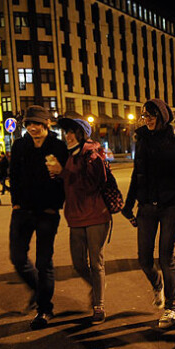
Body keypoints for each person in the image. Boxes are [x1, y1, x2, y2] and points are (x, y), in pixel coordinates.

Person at [122, 99, 175, 330]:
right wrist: (128, 204)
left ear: (161, 116)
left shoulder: (174, 144)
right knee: (143, 259)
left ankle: (171, 307)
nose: (147, 119)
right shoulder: (141, 141)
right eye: (144, 115)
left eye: (151, 115)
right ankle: (157, 283)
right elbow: (136, 175)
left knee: (166, 258)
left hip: (170, 206)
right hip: (146, 207)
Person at [47, 118, 111, 325]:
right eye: (67, 132)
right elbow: (69, 183)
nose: (68, 135)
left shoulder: (92, 154)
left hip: (95, 215)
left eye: (73, 132)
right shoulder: (70, 156)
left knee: (96, 262)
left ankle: (99, 305)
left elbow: (94, 183)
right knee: (78, 262)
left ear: (83, 134)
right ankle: (96, 286)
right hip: (74, 217)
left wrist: (63, 173)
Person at [9, 105, 68, 330]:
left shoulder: (58, 146)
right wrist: (15, 202)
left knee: (44, 262)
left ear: (46, 123)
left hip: (47, 212)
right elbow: (13, 175)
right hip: (22, 210)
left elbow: (64, 179)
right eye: (28, 124)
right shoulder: (20, 146)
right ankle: (37, 289)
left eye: (36, 123)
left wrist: (55, 205)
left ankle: (44, 309)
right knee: (17, 257)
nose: (32, 128)